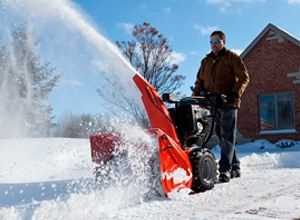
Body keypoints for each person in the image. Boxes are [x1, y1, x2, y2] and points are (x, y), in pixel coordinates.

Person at [192, 30, 250, 183]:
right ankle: (235, 166)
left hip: (228, 102)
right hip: (213, 102)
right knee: (221, 135)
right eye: (211, 42)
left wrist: (235, 93)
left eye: (217, 41)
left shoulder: (232, 57)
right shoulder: (206, 61)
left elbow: (244, 77)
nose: (214, 45)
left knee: (227, 135)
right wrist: (195, 98)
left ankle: (225, 169)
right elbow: (199, 81)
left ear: (223, 42)